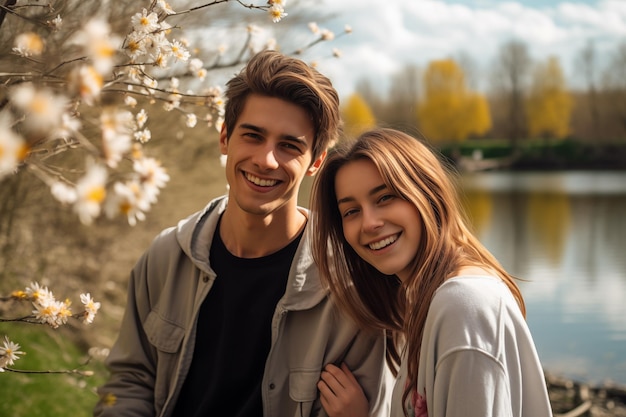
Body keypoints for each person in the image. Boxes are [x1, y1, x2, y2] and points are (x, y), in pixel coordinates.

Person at [94, 51, 391, 417]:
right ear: (225, 138)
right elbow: (129, 383)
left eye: (289, 146)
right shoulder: (165, 257)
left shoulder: (353, 290)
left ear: (316, 162)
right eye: (253, 136)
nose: (266, 160)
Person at [311, 128, 554, 417]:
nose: (369, 223)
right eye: (351, 211)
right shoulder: (427, 300)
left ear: (427, 193)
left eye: (385, 197)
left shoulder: (464, 306)